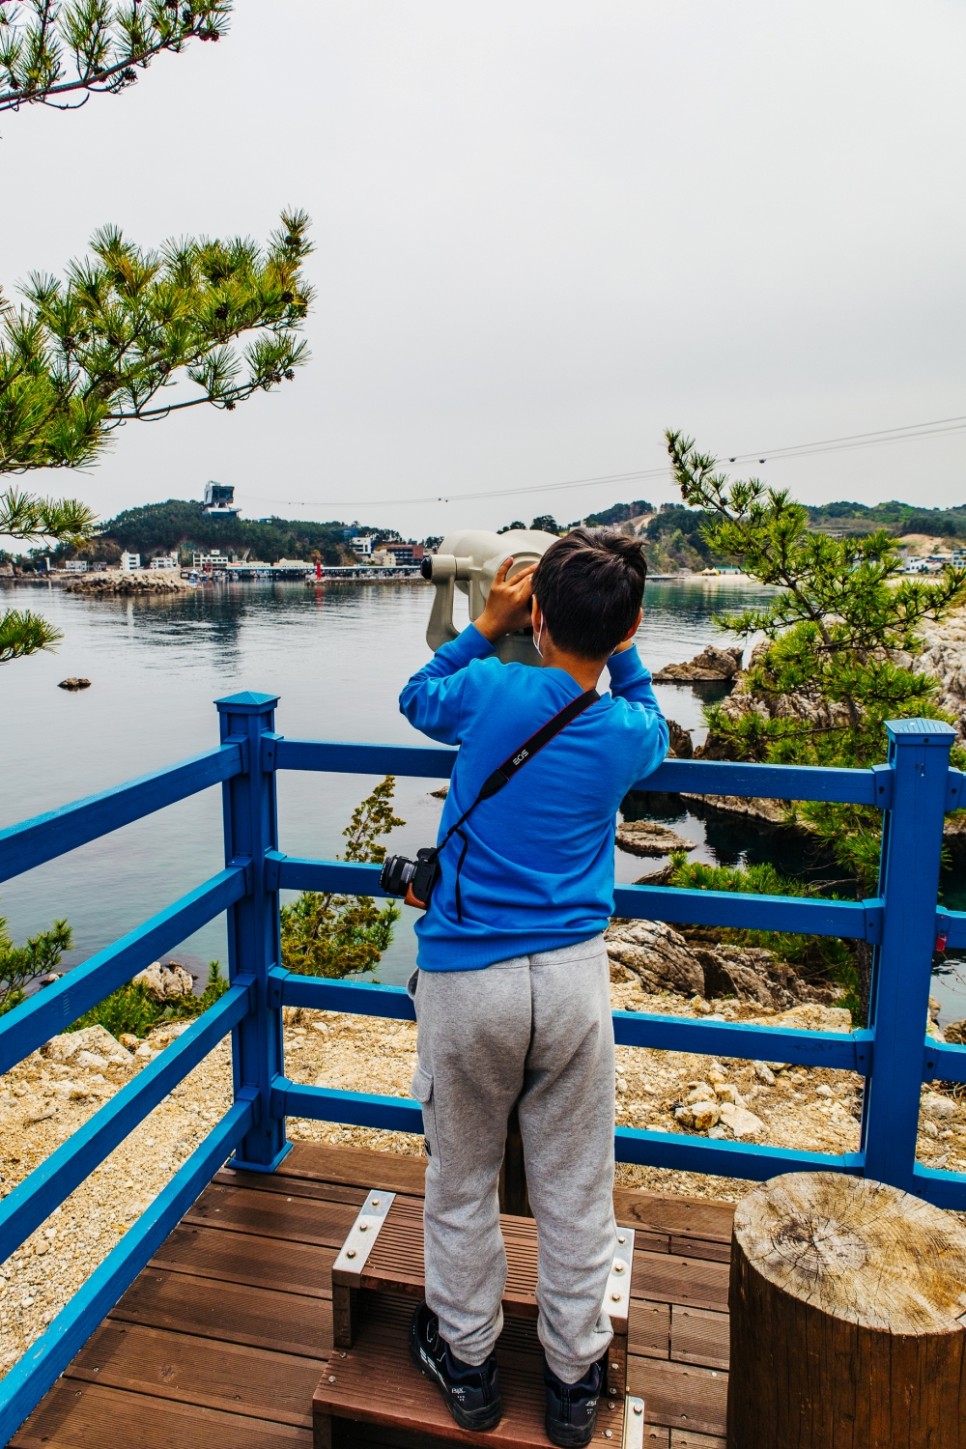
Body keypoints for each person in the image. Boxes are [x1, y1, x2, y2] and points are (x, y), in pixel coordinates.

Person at [399, 528, 668, 1447]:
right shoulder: (629, 732)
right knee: (574, 1187)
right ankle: (569, 1382)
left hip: (468, 979)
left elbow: (417, 696)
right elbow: (653, 726)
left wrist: (485, 624)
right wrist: (620, 650)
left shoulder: (491, 688)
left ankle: (468, 1363)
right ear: (631, 622)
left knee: (463, 1177)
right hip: (571, 983)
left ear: (535, 614)